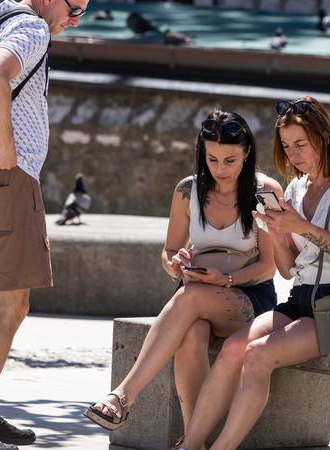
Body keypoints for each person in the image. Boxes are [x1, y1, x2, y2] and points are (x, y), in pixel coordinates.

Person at [174, 96, 330, 450]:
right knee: (233, 349)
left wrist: (300, 226)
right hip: (302, 298)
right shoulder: (296, 188)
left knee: (258, 354)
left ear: (324, 136)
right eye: (287, 147)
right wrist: (277, 232)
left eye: (301, 144)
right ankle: (188, 445)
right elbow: (287, 270)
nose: (295, 154)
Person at [0, 0, 88, 448]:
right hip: (6, 176)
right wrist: (5, 147)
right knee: (12, 307)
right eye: (74, 8)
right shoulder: (32, 28)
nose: (74, 21)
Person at [84, 110, 282, 435]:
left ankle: (124, 396)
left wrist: (227, 280)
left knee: (188, 299)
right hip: (195, 294)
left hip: (248, 297)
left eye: (230, 160)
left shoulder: (264, 191)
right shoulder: (187, 190)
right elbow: (168, 251)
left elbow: (269, 267)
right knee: (192, 336)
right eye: (212, 159)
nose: (220, 169)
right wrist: (175, 263)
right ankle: (194, 440)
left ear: (247, 154)